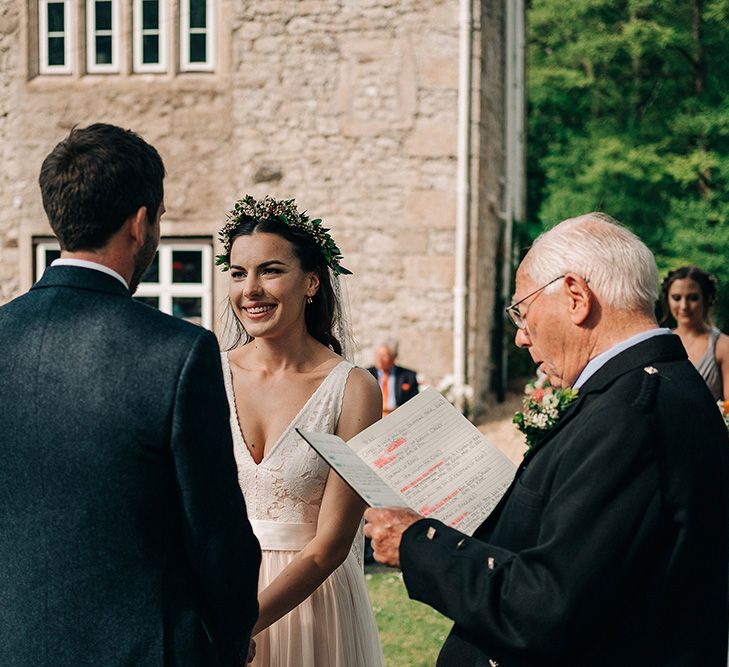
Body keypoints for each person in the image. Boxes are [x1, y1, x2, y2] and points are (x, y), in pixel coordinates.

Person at [365, 212, 729, 666]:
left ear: (576, 296)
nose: (520, 336)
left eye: (523, 310)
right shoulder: (653, 388)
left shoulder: (631, 413)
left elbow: (544, 608)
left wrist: (417, 540)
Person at [0, 123, 261, 666]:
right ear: (140, 223)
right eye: (161, 217)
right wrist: (233, 640)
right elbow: (217, 538)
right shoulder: (178, 352)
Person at [217, 195, 384, 666]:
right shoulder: (206, 375)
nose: (250, 289)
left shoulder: (353, 389)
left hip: (313, 603)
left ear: (311, 281)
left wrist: (239, 625)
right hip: (220, 591)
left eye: (270, 271)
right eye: (237, 273)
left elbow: (331, 544)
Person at [661, 265, 729, 400]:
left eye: (693, 298)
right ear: (667, 300)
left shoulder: (723, 346)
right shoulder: (660, 343)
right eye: (676, 298)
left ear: (706, 299)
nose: (684, 306)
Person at [367, 339, 419, 417]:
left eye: (384, 356)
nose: (379, 359)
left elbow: (414, 403)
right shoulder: (367, 374)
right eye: (378, 354)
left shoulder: (408, 376)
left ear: (394, 357)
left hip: (399, 417)